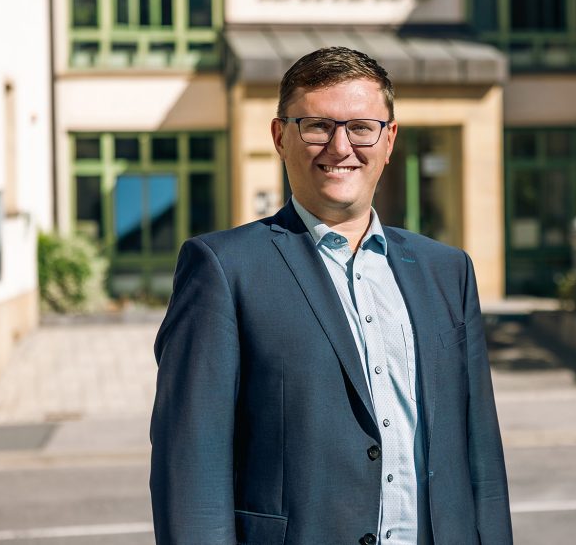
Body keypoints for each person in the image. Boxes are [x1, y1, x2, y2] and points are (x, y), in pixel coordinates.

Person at [150, 46, 512, 545]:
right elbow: (191, 464)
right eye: (317, 126)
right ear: (280, 137)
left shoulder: (447, 270)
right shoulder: (223, 270)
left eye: (361, 127)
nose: (341, 147)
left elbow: (482, 461)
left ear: (389, 140)